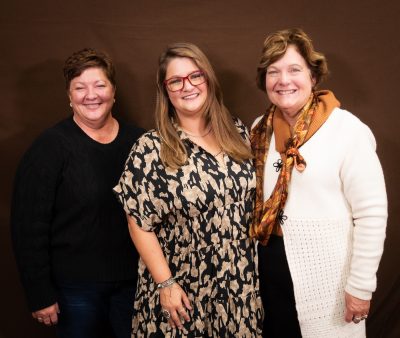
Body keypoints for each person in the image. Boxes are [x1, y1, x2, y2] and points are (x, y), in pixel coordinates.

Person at [113, 42, 263, 337]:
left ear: (208, 79)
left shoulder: (238, 132)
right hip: (182, 290)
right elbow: (137, 222)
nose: (187, 86)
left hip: (238, 288)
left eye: (195, 76)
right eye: (176, 81)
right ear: (166, 90)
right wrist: (166, 284)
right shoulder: (150, 149)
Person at [251, 28, 388, 338]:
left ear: (313, 77)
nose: (283, 80)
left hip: (326, 280)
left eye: (294, 70)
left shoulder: (347, 130)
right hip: (268, 273)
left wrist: (361, 286)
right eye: (273, 72)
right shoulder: (260, 129)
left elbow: (372, 214)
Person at [11, 48, 144, 338]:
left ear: (113, 91)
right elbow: (27, 227)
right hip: (75, 290)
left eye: (99, 85)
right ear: (69, 96)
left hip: (134, 285)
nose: (91, 95)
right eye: (80, 88)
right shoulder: (49, 148)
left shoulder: (141, 143)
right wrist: (39, 293)